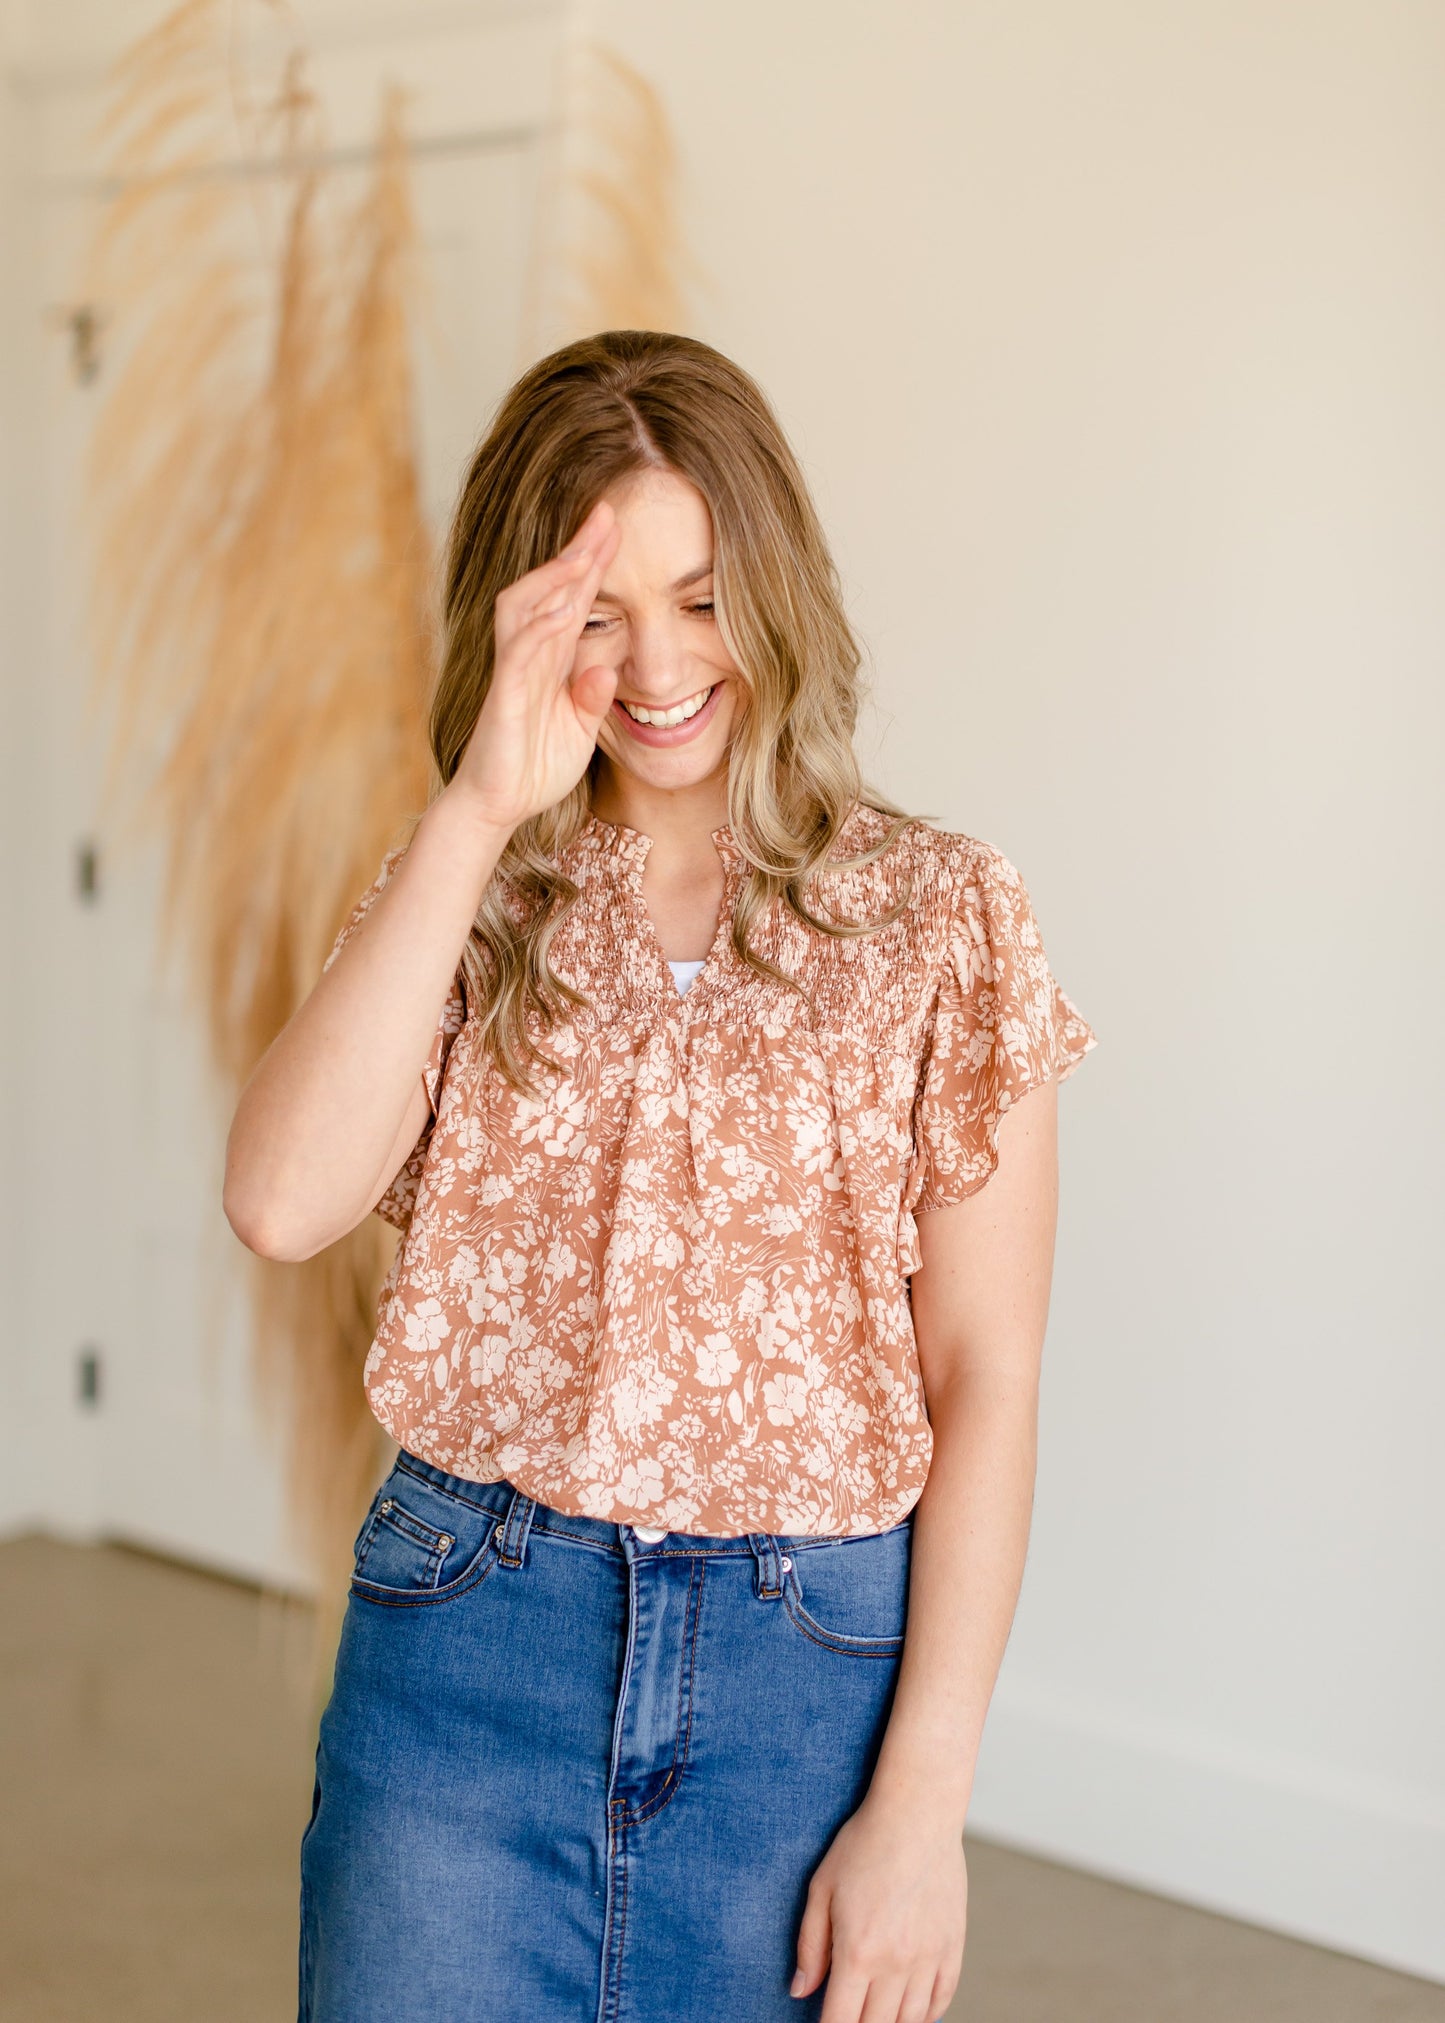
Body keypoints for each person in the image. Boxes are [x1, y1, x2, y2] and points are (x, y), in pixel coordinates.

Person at [224, 328, 1095, 2023]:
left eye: (701, 598)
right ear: (518, 615)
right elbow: (278, 1201)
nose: (656, 665)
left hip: (805, 1696)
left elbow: (984, 1378)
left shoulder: (939, 914)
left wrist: (920, 1808)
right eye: (598, 610)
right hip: (468, 1655)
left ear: (775, 590)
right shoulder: (465, 896)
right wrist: (477, 812)